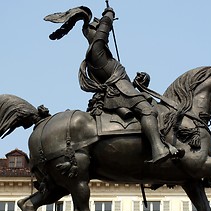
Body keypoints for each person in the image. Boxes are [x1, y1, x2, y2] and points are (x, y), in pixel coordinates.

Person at [45, 6, 184, 163]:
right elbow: (102, 36)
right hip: (119, 95)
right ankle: (158, 148)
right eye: (100, 31)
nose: (106, 37)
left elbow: (124, 83)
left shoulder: (105, 57)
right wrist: (109, 15)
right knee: (148, 111)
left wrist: (139, 82)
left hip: (124, 92)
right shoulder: (96, 52)